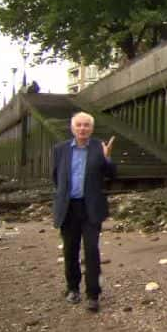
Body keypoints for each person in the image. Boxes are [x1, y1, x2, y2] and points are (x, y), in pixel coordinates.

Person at [52, 112, 116, 312]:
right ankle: (73, 289)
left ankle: (93, 295)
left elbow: (112, 175)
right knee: (70, 251)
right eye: (79, 125)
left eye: (86, 125)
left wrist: (107, 159)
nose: (82, 129)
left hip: (91, 208)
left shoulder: (99, 147)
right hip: (69, 208)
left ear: (91, 128)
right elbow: (56, 177)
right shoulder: (60, 149)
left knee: (92, 251)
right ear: (72, 128)